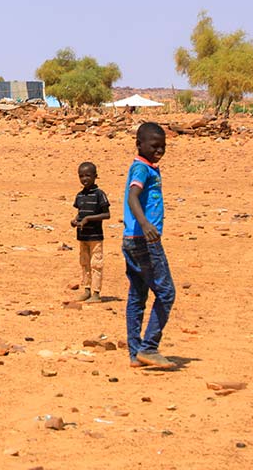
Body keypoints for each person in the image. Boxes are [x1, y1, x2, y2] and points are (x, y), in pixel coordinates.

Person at [123, 122, 177, 370]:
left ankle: (136, 354)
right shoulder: (141, 170)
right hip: (145, 242)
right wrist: (145, 224)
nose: (159, 151)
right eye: (154, 146)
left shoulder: (150, 169)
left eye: (163, 146)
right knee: (166, 293)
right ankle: (149, 347)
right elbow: (133, 196)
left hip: (131, 240)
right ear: (139, 145)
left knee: (137, 296)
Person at [71, 161, 110, 303]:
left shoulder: (100, 194)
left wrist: (88, 219)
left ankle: (96, 293)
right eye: (81, 176)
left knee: (96, 264)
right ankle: (86, 290)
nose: (84, 179)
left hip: (95, 236)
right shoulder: (80, 196)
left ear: (95, 176)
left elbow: (106, 214)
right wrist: (75, 221)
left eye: (88, 175)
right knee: (84, 263)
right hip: (83, 236)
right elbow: (79, 213)